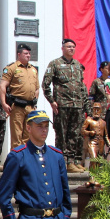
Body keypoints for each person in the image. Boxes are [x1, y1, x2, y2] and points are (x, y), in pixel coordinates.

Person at [42, 38, 90, 173]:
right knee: (62, 134)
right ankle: (62, 161)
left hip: (77, 105)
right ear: (62, 48)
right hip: (62, 105)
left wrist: (86, 106)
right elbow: (45, 84)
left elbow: (82, 87)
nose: (71, 49)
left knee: (75, 134)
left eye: (73, 47)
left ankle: (73, 161)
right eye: (68, 47)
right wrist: (52, 101)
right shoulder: (55, 64)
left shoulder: (78, 65)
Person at [0, 43, 40, 147]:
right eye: (26, 53)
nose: (28, 55)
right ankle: (16, 157)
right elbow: (2, 86)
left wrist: (35, 103)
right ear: (19, 54)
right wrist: (4, 103)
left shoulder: (33, 69)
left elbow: (36, 88)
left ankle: (26, 156)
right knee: (16, 137)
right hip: (17, 106)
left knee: (28, 136)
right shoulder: (11, 68)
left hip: (30, 107)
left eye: (29, 53)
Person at [81, 102, 110, 167]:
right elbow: (82, 131)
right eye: (95, 109)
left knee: (99, 161)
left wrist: (109, 144)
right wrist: (89, 132)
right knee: (94, 159)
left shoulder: (103, 122)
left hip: (101, 144)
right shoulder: (89, 120)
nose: (96, 111)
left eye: (98, 109)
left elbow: (105, 135)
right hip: (92, 142)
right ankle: (92, 173)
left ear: (101, 110)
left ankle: (94, 173)